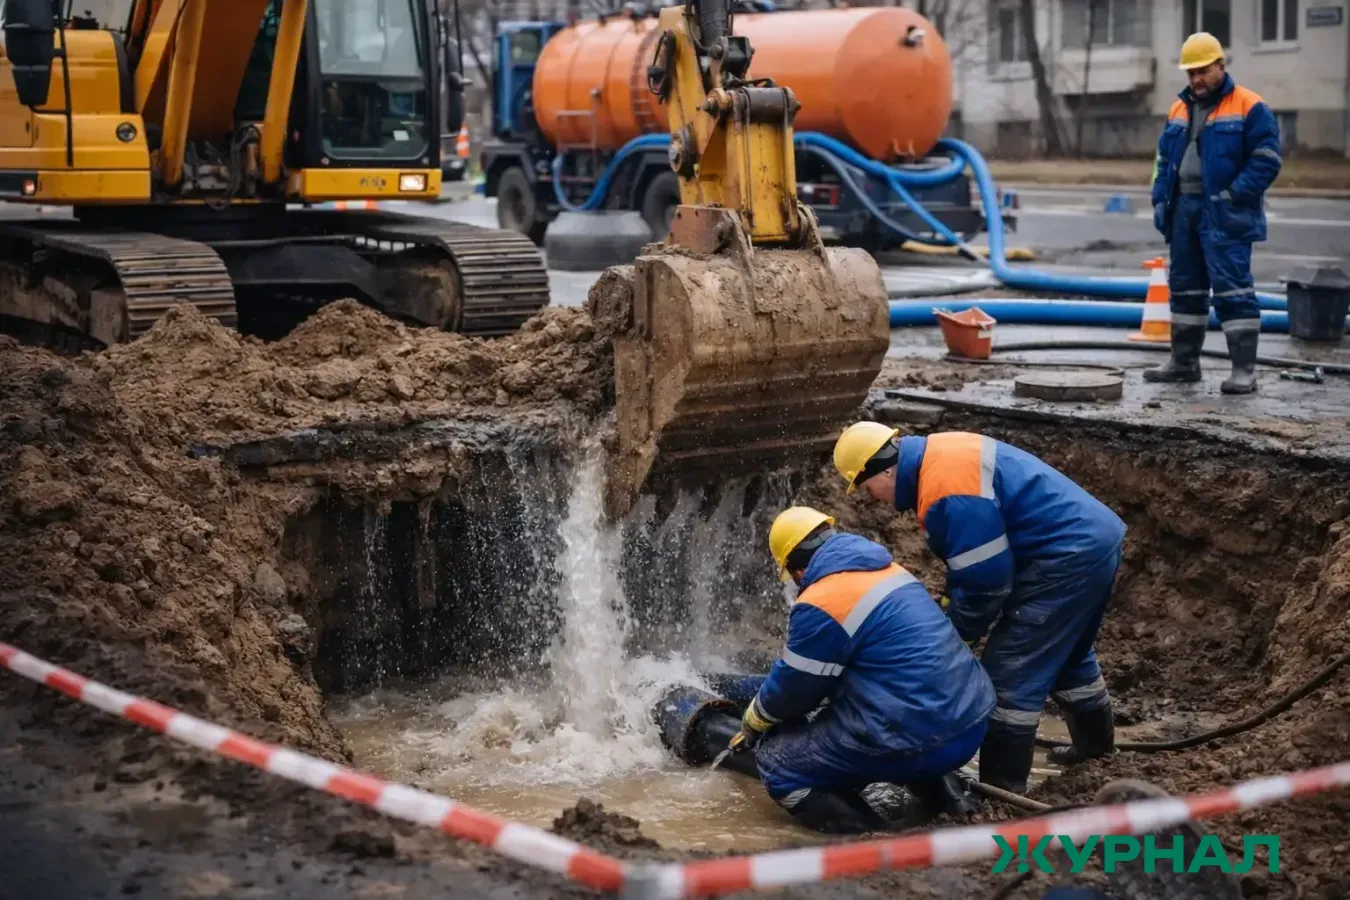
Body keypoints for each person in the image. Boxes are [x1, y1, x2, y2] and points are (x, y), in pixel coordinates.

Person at [832, 423, 1127, 794]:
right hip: (1089, 541)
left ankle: (1002, 794)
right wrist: (947, 612)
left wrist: (954, 638)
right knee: (1069, 656)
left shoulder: (945, 489)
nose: (871, 497)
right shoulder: (938, 458)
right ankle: (1097, 754)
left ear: (884, 469)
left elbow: (986, 581)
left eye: (865, 485)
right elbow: (968, 563)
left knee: (1009, 675)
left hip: (1065, 557)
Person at [728, 506, 995, 833]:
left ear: (796, 570)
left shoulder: (822, 600)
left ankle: (872, 841)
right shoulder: (891, 570)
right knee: (895, 714)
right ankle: (955, 805)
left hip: (918, 739)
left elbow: (794, 690)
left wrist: (755, 720)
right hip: (970, 722)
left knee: (778, 765)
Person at [1147, 32, 1282, 394]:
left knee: (1232, 289)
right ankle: (1184, 363)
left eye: (1203, 71)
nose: (1196, 79)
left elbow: (1266, 160)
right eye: (1191, 73)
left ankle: (1244, 371)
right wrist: (1161, 200)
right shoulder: (1179, 109)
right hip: (1184, 212)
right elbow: (1163, 160)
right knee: (1185, 288)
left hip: (1223, 212)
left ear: (1221, 65)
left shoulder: (1249, 106)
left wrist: (1232, 195)